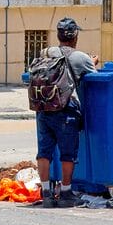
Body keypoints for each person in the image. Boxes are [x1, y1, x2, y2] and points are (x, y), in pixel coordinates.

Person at [36, 17, 97, 209]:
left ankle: (46, 192)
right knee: (68, 154)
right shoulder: (81, 58)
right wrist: (93, 63)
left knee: (44, 152)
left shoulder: (45, 52)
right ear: (75, 36)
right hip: (65, 111)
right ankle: (65, 193)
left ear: (58, 35)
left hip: (43, 109)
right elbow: (95, 79)